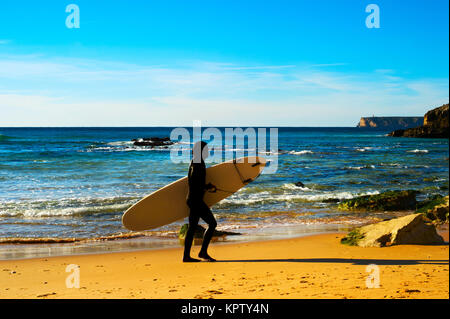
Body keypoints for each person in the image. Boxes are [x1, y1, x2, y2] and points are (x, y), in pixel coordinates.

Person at [183, 141, 218, 262]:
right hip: (196, 200)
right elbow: (194, 183)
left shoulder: (196, 161)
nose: (208, 152)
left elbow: (196, 182)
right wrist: (206, 187)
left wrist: (206, 186)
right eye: (206, 150)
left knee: (192, 228)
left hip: (193, 199)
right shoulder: (197, 163)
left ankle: (186, 256)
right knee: (212, 224)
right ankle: (202, 252)